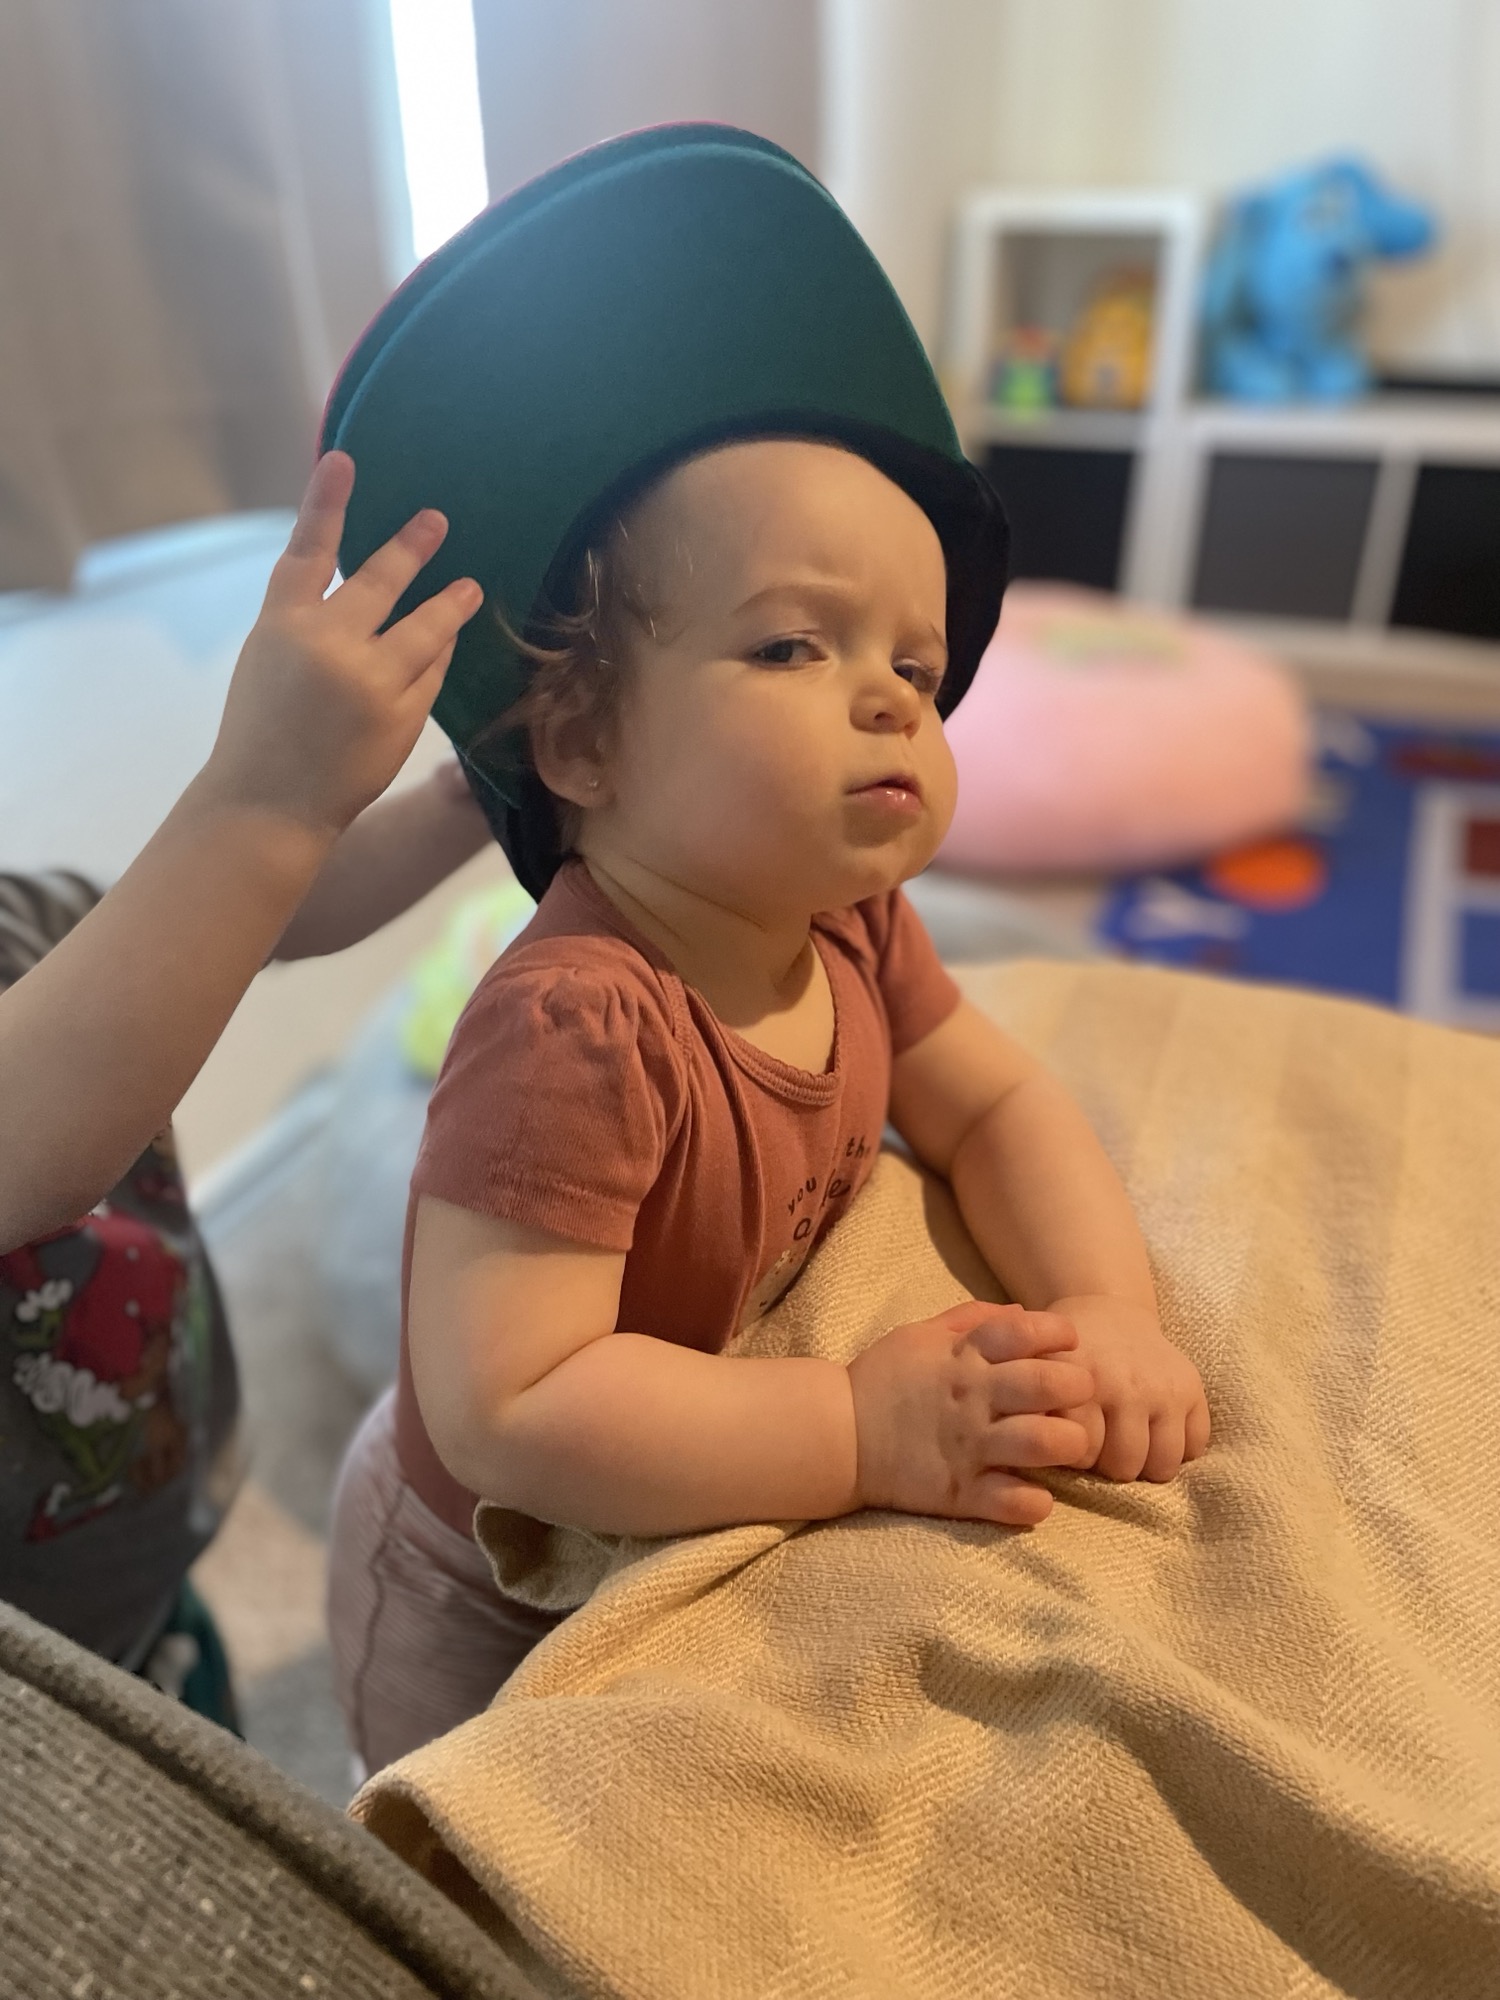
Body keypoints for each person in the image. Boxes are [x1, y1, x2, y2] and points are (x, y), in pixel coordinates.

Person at [320, 125, 1211, 1777]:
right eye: (796, 644)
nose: (891, 700)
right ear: (583, 742)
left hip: (675, 1477)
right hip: (481, 1573)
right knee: (457, 1844)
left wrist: (1106, 1308)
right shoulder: (580, 1028)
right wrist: (857, 1425)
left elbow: (995, 1105)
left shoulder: (851, 921)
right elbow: (512, 1405)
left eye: (918, 668)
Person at [0, 453, 490, 1715]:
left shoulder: (19, 914)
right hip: (35, 1695)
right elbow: (30, 1147)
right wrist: (263, 794)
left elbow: (262, 913)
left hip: (148, 1552)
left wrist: (473, 790)